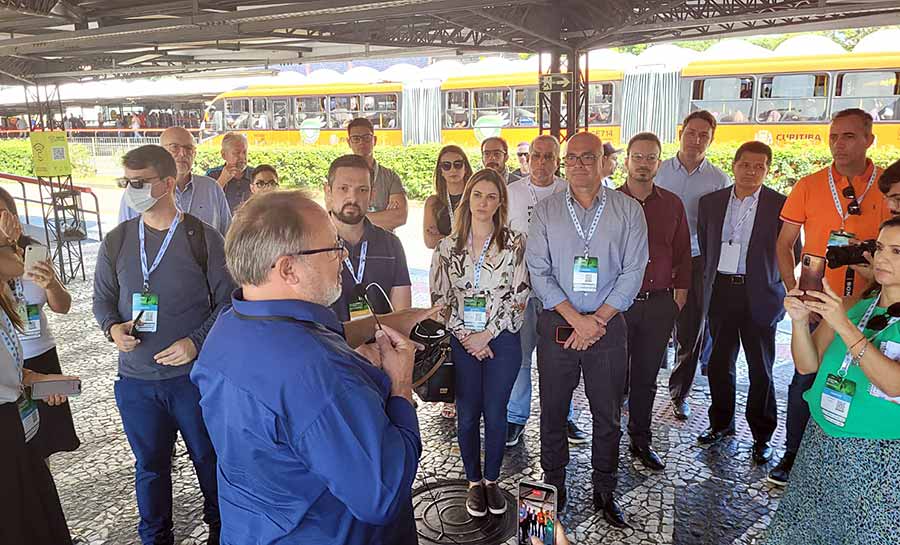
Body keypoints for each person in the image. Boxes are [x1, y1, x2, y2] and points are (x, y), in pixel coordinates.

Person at [191, 189, 428, 545]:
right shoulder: (317, 373)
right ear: (288, 268)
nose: (343, 256)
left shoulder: (228, 325)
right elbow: (383, 495)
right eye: (332, 247)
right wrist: (400, 386)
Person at [94, 145, 235, 545]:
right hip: (137, 381)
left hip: (193, 379)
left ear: (168, 183)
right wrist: (112, 329)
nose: (131, 189)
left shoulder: (203, 239)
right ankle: (156, 537)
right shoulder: (118, 240)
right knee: (150, 467)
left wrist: (195, 342)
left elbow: (228, 303)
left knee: (209, 460)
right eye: (126, 182)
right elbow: (102, 300)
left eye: (139, 183)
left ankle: (222, 532)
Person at [526, 132, 648, 526]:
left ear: (604, 162)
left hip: (607, 327)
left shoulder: (628, 211)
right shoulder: (546, 211)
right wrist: (576, 319)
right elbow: (538, 271)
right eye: (572, 158)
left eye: (588, 157)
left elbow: (633, 271)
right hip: (559, 326)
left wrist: (597, 320)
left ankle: (604, 488)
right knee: (553, 411)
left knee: (607, 413)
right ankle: (554, 485)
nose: (579, 165)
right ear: (565, 163)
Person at [760, 218, 900, 545]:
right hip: (822, 444)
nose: (881, 259)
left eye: (897, 251)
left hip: (880, 459)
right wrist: (797, 322)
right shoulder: (852, 305)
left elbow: (895, 384)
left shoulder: (844, 315)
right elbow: (808, 364)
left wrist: (844, 327)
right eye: (879, 248)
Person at [773, 108, 889, 486]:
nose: (839, 144)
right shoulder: (809, 185)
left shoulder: (889, 187)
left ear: (870, 139)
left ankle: (850, 459)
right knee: (804, 380)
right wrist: (793, 288)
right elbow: (785, 243)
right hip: (819, 301)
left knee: (864, 380)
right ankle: (793, 455)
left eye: (850, 136)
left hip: (872, 307)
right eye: (834, 136)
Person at [430, 168, 530, 518]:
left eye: (491, 196)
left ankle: (491, 481)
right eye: (477, 194)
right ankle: (473, 482)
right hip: (463, 340)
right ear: (467, 198)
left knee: (496, 411)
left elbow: (520, 295)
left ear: (500, 201)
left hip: (502, 340)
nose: (483, 202)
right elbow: (440, 299)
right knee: (468, 412)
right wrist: (466, 336)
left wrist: (487, 335)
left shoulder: (515, 242)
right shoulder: (447, 247)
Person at [696, 141, 799, 464]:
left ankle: (762, 435)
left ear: (767, 169)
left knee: (761, 369)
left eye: (759, 166)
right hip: (722, 291)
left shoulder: (780, 204)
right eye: (745, 164)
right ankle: (721, 423)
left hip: (760, 295)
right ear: (734, 165)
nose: (751, 171)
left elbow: (792, 249)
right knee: (719, 363)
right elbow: (705, 240)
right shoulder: (711, 203)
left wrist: (780, 286)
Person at [505, 135, 587, 448]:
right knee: (521, 357)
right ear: (527, 159)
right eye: (536, 156)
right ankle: (516, 416)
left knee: (562, 360)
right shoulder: (511, 192)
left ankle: (563, 416)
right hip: (522, 291)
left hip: (560, 292)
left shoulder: (569, 191)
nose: (541, 163)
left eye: (548, 157)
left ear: (558, 160)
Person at [0, 207, 75, 545]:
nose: (20, 256)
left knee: (37, 501)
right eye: (9, 250)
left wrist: (31, 379)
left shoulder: (5, 301)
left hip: (15, 411)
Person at [618, 132, 691, 471]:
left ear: (659, 163)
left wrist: (680, 293)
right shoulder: (611, 202)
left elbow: (682, 252)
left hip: (659, 302)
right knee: (614, 375)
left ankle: (640, 438)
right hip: (619, 304)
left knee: (646, 377)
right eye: (638, 157)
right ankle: (607, 436)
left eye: (651, 158)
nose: (643, 164)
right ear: (627, 160)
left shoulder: (672, 204)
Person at [656, 110, 732, 421]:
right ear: (680, 134)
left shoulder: (718, 179)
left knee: (691, 332)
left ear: (711, 140)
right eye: (691, 133)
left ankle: (679, 393)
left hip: (698, 261)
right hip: (658, 261)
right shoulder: (658, 170)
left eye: (703, 135)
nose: (696, 139)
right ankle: (634, 388)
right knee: (652, 327)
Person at [0, 188, 80, 460]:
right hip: (9, 365)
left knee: (41, 440)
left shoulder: (32, 251)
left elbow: (63, 306)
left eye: (4, 214)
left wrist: (52, 284)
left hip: (38, 354)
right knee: (20, 446)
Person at [325, 155, 411, 322]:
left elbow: (401, 315)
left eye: (362, 190)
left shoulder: (391, 245)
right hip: (329, 346)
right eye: (343, 188)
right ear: (328, 191)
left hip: (382, 343)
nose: (353, 198)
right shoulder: (309, 245)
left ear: (372, 194)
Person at [120, 127, 232, 236]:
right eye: (174, 147)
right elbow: (125, 240)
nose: (183, 154)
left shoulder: (211, 188)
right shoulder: (139, 192)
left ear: (195, 154)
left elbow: (228, 235)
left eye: (189, 148)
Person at [346, 117, 408, 231]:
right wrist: (384, 215)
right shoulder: (341, 175)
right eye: (356, 138)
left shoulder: (390, 177)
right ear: (348, 142)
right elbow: (334, 217)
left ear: (374, 140)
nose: (362, 142)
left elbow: (400, 217)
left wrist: (353, 219)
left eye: (367, 138)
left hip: (384, 245)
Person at [424, 145, 473, 250]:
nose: (453, 169)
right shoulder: (432, 202)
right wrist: (465, 240)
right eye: (446, 165)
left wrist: (443, 238)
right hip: (444, 261)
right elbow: (430, 242)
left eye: (458, 164)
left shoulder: (476, 198)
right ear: (441, 171)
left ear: (465, 168)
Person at [206, 132, 253, 213]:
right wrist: (222, 181)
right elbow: (205, 205)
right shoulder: (212, 175)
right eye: (236, 153)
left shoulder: (256, 175)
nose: (242, 157)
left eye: (244, 152)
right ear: (224, 155)